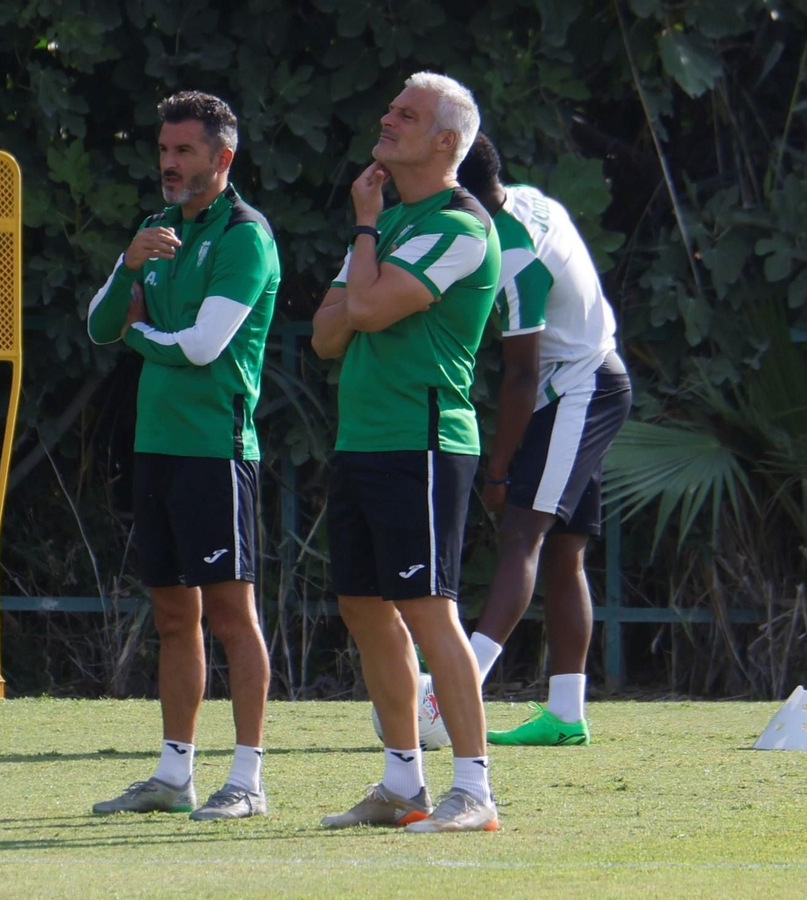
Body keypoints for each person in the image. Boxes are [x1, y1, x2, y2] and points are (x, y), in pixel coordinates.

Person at [311, 72, 501, 832]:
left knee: (429, 610)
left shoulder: (459, 226)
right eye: (388, 108)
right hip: (363, 440)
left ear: (445, 141)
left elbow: (358, 306)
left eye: (406, 115)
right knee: (362, 607)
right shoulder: (389, 229)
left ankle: (475, 790)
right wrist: (369, 249)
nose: (386, 121)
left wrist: (364, 231)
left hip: (423, 443)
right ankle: (403, 786)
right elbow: (328, 335)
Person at [86, 91, 280, 821]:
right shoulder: (156, 228)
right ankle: (174, 776)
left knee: (233, 616)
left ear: (221, 158)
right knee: (173, 616)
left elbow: (202, 347)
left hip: (214, 450)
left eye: (183, 152)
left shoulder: (245, 236)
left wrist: (139, 334)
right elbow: (101, 323)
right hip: (156, 448)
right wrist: (129, 265)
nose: (167, 164)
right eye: (163, 150)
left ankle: (248, 779)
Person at [456, 133, 632, 746]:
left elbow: (523, 376)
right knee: (562, 551)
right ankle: (565, 714)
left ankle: (457, 689)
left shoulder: (510, 254)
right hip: (594, 376)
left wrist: (498, 468)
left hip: (577, 389)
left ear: (456, 187)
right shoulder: (527, 200)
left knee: (522, 532)